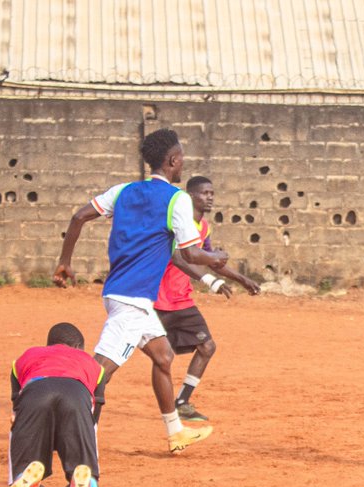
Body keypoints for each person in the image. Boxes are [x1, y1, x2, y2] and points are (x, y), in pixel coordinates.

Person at [52, 128, 229, 452]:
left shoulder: (123, 191)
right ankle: (65, 433)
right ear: (172, 160)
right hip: (131, 300)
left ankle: (175, 432)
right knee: (97, 373)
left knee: (163, 356)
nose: (183, 162)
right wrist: (216, 257)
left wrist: (65, 261)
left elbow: (78, 217)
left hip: (124, 294)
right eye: (181, 157)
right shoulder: (176, 199)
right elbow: (191, 254)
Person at [155, 175, 261, 422]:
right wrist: (210, 281)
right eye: (205, 193)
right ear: (190, 196)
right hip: (158, 299)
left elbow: (212, 260)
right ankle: (91, 389)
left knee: (206, 347)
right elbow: (178, 258)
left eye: (212, 193)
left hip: (181, 300)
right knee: (150, 354)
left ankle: (182, 402)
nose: (210, 197)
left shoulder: (204, 227)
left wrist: (242, 279)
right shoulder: (180, 223)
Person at [5, 323, 103, 487]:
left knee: (17, 428)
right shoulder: (94, 365)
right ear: (78, 348)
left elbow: (17, 409)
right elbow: (93, 418)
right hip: (75, 392)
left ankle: (20, 476)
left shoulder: (26, 356)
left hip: (35, 391)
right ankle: (86, 481)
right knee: (86, 453)